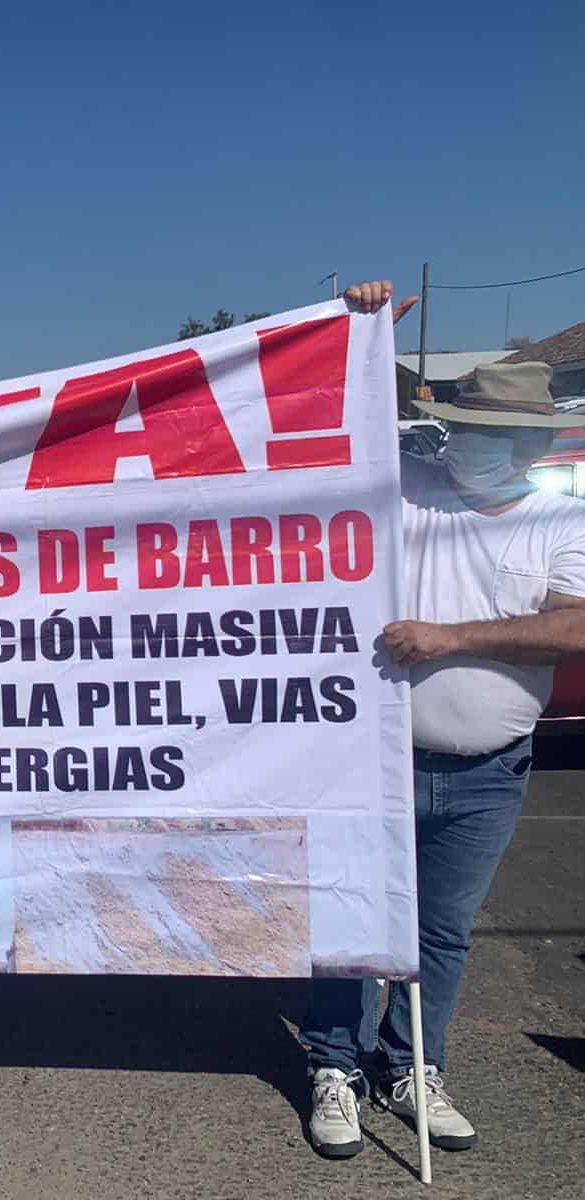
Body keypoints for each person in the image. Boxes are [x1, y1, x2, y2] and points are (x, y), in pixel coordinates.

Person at [302, 280, 585, 1159]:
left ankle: (410, 1065)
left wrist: (449, 639)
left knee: (440, 933)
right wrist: (360, 334)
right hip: (370, 762)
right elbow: (333, 426)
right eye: (462, 429)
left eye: (490, 436)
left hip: (486, 772)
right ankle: (334, 1069)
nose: (469, 446)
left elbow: (574, 625)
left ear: (530, 444)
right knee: (350, 923)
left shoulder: (560, 522)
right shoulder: (409, 495)